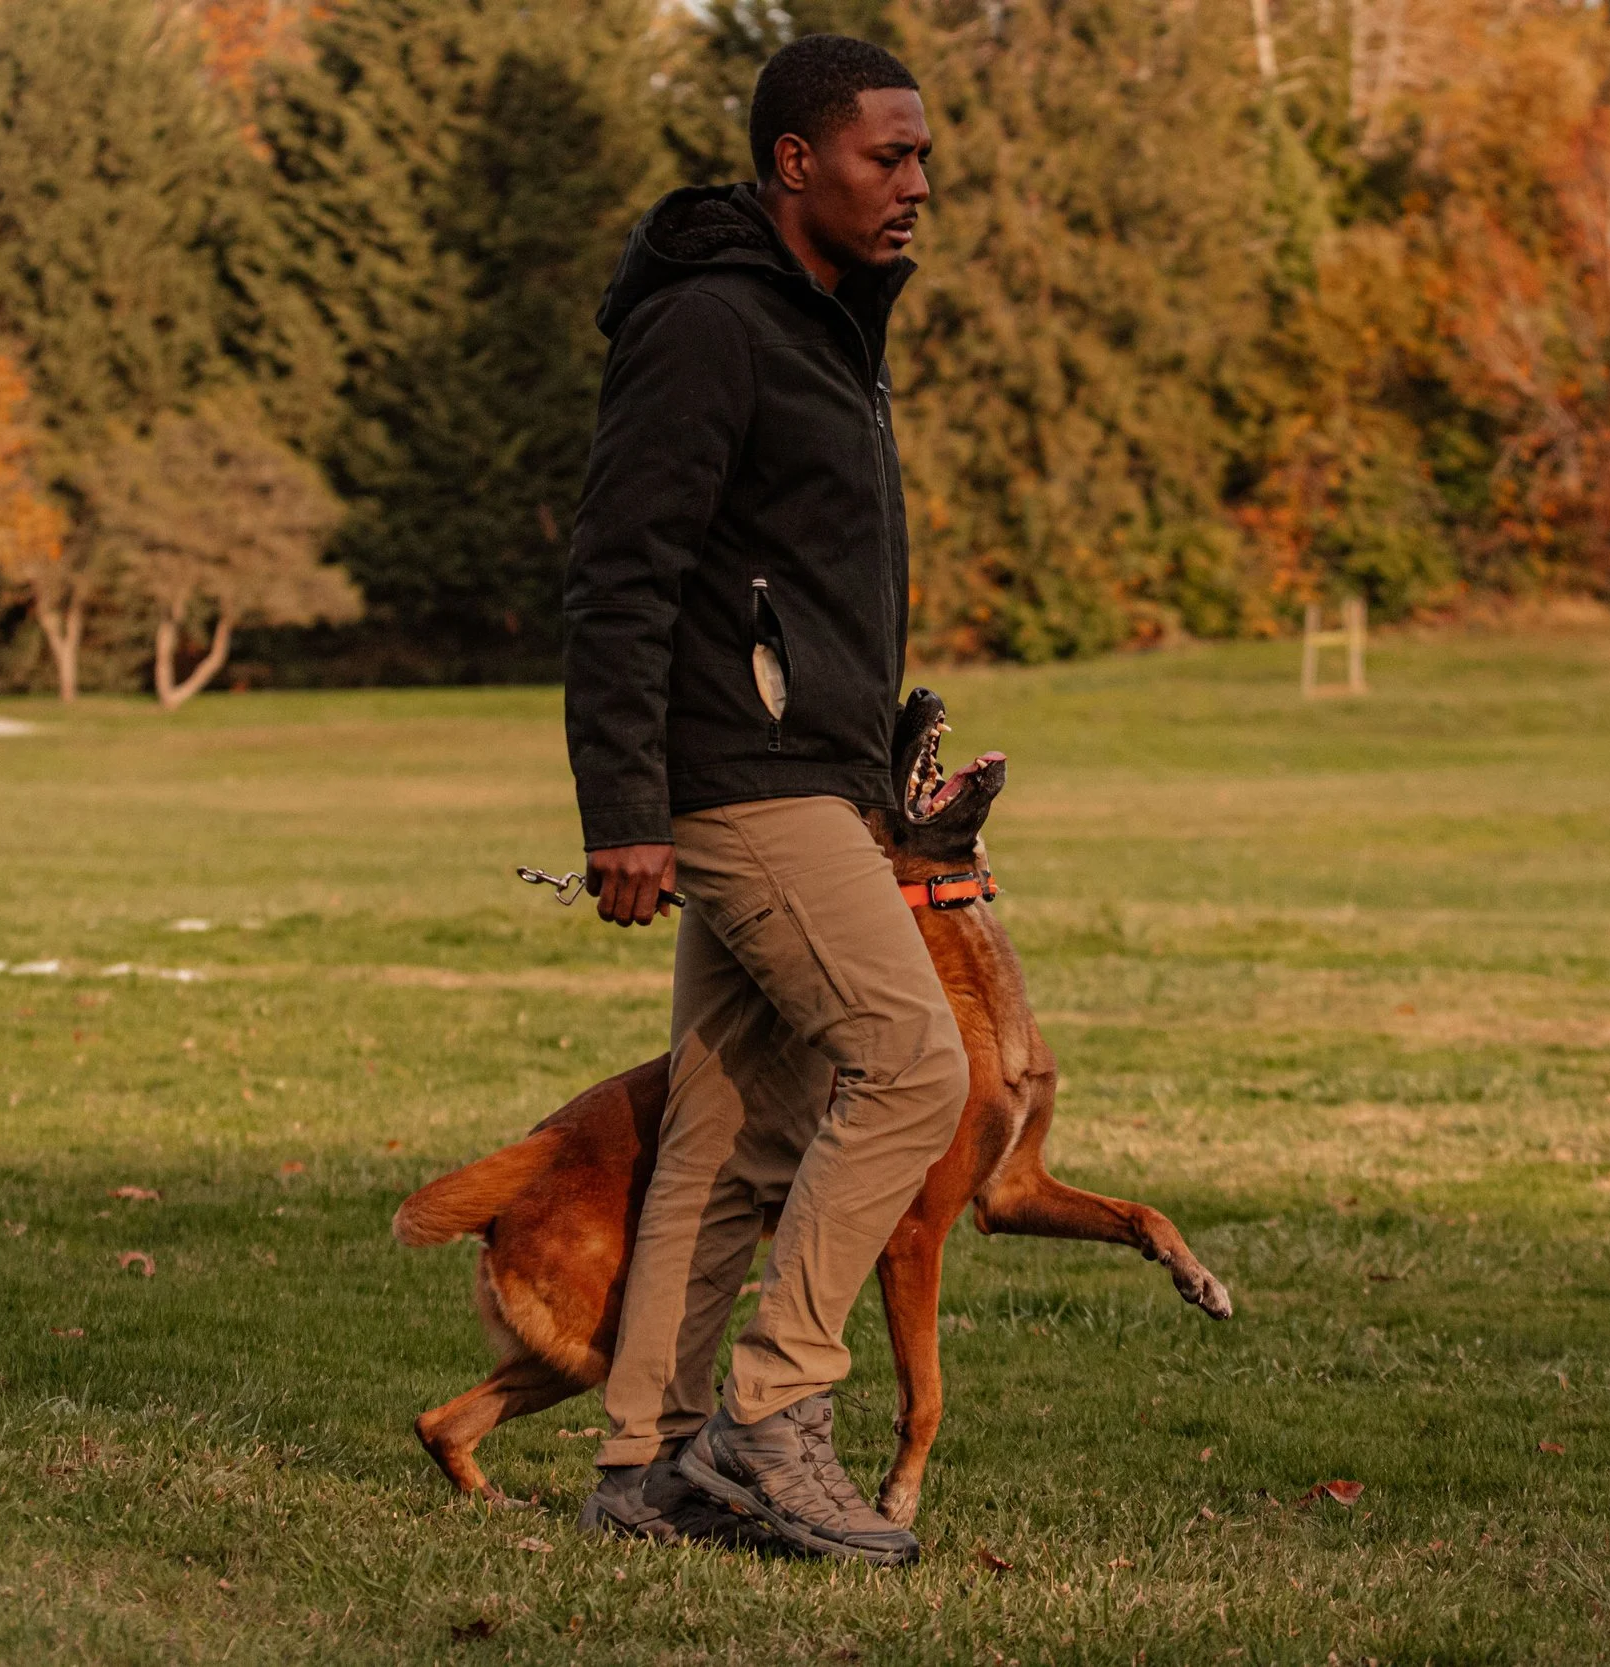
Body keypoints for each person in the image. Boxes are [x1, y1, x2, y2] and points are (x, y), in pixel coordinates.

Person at [557, 35, 958, 1567]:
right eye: (887, 157)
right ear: (797, 162)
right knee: (915, 1068)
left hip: (809, 772)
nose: (915, 185)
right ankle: (772, 1419)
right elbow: (619, 571)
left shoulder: (829, 325)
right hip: (740, 777)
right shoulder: (713, 322)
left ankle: (644, 1463)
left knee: (734, 1126)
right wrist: (622, 805)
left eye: (922, 157)